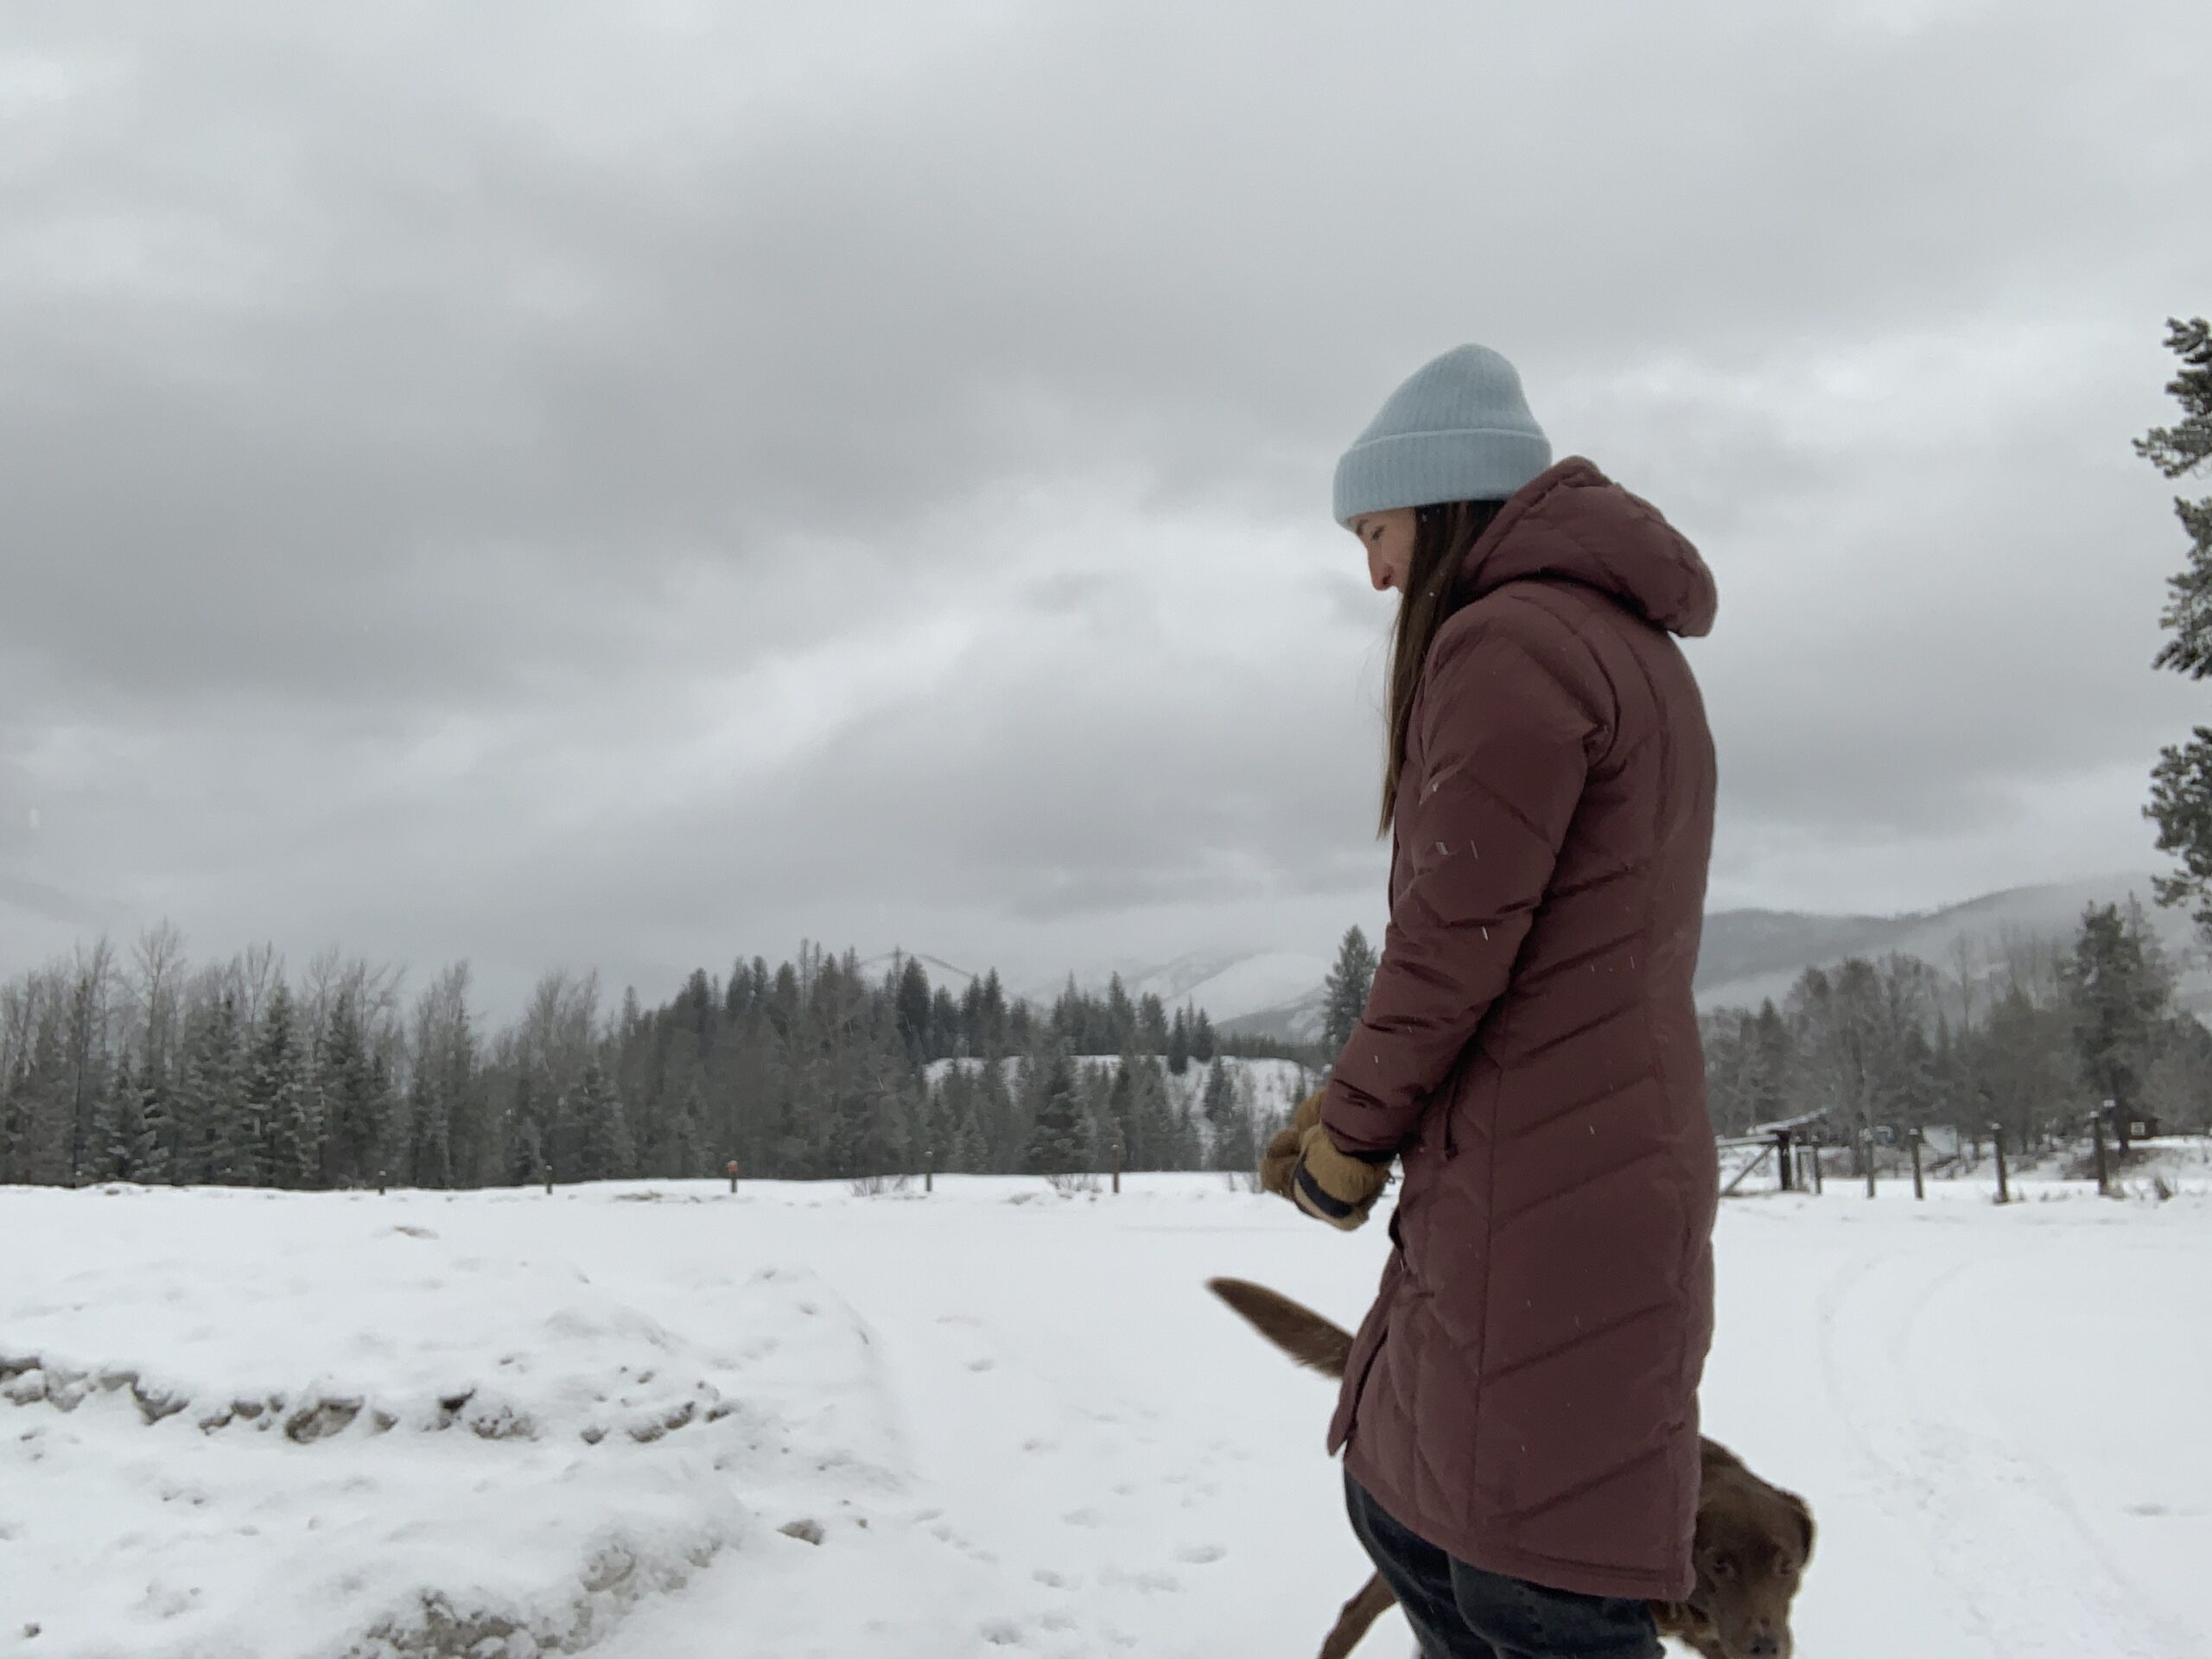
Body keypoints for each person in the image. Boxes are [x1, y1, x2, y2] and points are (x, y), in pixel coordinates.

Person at [1260, 344, 1720, 1659]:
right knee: (1425, 1522)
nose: (1374, 575)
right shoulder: (1629, 652)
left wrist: (1346, 1142)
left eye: (1380, 530)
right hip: (1571, 1163)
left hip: (1544, 1185)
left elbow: (1445, 947)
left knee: (1529, 1575)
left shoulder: (1508, 642)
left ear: (1446, 505)